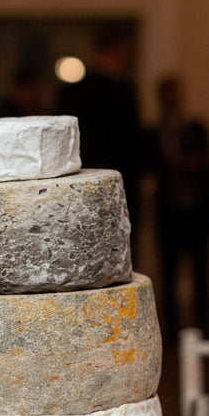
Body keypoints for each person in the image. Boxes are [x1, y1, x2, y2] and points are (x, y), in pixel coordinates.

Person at [57, 28, 142, 251]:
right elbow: (132, 143)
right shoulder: (124, 92)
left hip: (79, 182)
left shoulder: (72, 92)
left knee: (80, 245)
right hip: (117, 182)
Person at [144, 74, 209, 335]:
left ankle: (204, 324)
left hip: (197, 211)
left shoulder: (197, 128)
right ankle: (171, 327)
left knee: (202, 269)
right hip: (168, 213)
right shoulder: (152, 133)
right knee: (169, 272)